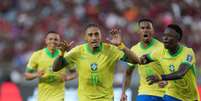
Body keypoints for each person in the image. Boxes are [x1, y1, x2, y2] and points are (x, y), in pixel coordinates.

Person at [52, 24, 139, 101]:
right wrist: (61, 53)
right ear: (85, 37)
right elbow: (55, 68)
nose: (94, 38)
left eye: (96, 34)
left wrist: (121, 45)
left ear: (101, 36)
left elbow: (136, 60)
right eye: (90, 35)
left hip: (106, 99)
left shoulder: (110, 50)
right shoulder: (78, 51)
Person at [143, 24, 199, 101]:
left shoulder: (188, 52)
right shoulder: (160, 51)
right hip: (172, 94)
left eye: (169, 36)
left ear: (178, 38)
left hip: (190, 97)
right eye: (164, 35)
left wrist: (160, 77)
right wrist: (125, 52)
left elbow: (180, 73)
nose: (165, 38)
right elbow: (144, 59)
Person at [120, 18, 167, 101]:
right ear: (139, 31)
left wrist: (166, 81)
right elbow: (128, 73)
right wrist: (123, 92)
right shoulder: (134, 50)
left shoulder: (162, 48)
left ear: (153, 31)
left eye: (148, 28)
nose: (145, 30)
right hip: (145, 93)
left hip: (165, 93)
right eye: (142, 28)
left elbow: (173, 69)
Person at [24, 31, 76, 101]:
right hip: (43, 97)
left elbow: (75, 73)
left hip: (58, 97)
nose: (53, 41)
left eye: (56, 39)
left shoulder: (65, 55)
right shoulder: (37, 55)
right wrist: (36, 74)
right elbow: (26, 75)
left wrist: (68, 77)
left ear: (59, 42)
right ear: (45, 40)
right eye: (50, 39)